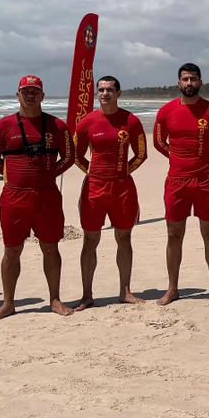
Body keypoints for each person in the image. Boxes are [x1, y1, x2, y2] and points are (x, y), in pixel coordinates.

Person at [0, 75, 75, 320]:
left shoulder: (58, 127)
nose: (30, 95)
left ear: (43, 96)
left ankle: (55, 299)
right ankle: (8, 303)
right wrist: (16, 176)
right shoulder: (2, 127)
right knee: (11, 250)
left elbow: (69, 157)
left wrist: (47, 174)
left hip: (47, 196)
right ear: (18, 95)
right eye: (25, 91)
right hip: (14, 197)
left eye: (35, 91)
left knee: (50, 247)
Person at [153, 63, 209, 305]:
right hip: (176, 181)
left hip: (205, 181)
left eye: (193, 79)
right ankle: (172, 288)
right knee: (173, 234)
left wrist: (206, 159)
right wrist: (177, 158)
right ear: (178, 82)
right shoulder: (166, 112)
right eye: (185, 79)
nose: (189, 83)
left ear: (200, 81)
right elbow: (158, 143)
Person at [74, 75, 147, 308]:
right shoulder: (87, 122)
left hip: (123, 188)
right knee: (90, 239)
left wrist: (123, 172)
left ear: (118, 93)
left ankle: (125, 290)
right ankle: (87, 294)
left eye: (109, 90)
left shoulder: (131, 121)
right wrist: (93, 172)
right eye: (101, 90)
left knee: (124, 238)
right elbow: (76, 155)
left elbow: (141, 154)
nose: (105, 93)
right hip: (94, 187)